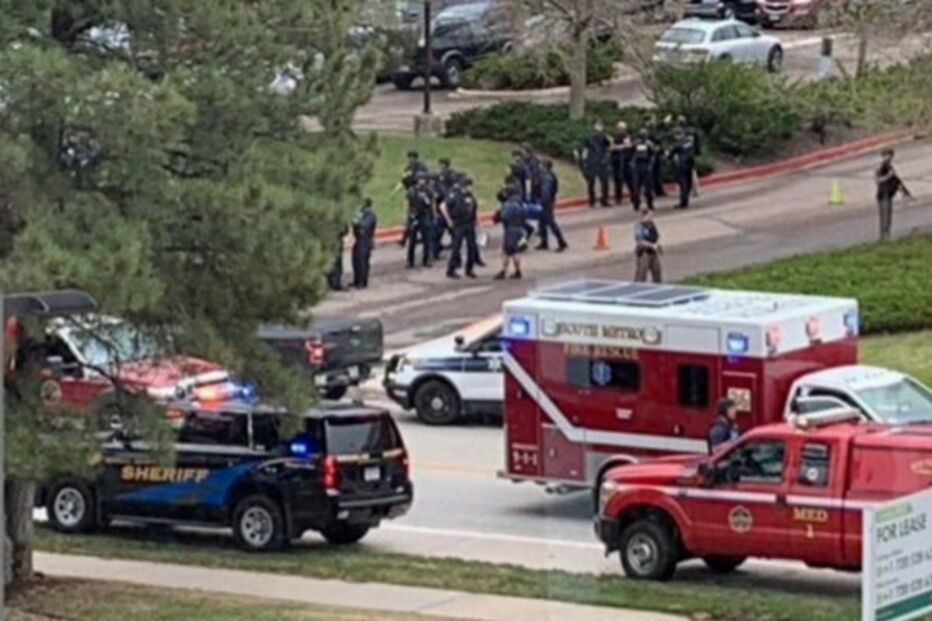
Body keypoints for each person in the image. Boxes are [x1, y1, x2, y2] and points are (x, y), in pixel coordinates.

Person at [875, 148, 913, 241]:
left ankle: (885, 235)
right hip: (884, 194)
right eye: (886, 155)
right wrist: (889, 176)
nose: (889, 157)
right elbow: (878, 180)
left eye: (890, 155)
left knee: (887, 216)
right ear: (883, 156)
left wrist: (905, 192)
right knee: (885, 216)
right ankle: (884, 236)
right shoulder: (882, 167)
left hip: (888, 194)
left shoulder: (888, 166)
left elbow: (897, 181)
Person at [443, 176, 476, 279]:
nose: (470, 188)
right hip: (459, 224)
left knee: (472, 247)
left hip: (469, 223)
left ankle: (469, 269)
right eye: (468, 186)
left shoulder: (470, 196)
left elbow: (473, 209)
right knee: (456, 247)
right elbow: (444, 206)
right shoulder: (454, 195)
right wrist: (449, 220)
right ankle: (451, 269)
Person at [493, 186, 527, 280]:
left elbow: (503, 217)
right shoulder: (520, 203)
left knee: (507, 251)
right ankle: (517, 271)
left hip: (510, 230)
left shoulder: (507, 205)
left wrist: (498, 216)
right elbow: (524, 216)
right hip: (519, 229)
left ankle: (505, 271)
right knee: (514, 251)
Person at [535, 159, 567, 252]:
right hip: (546, 201)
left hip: (546, 203)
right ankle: (544, 241)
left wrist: (543, 201)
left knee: (551, 223)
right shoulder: (549, 175)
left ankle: (561, 242)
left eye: (541, 165)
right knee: (542, 222)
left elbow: (546, 191)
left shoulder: (546, 177)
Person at [579, 119, 611, 208]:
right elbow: (608, 148)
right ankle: (601, 200)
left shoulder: (600, 137)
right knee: (599, 182)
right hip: (597, 161)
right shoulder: (602, 137)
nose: (600, 127)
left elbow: (585, 150)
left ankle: (594, 201)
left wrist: (584, 160)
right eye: (599, 125)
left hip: (595, 161)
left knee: (595, 182)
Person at [406, 173, 435, 268]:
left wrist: (425, 199)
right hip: (415, 215)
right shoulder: (412, 190)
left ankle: (427, 259)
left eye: (423, 179)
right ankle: (410, 261)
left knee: (427, 239)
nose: (422, 181)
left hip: (424, 215)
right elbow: (410, 200)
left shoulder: (428, 190)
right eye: (420, 179)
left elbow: (430, 203)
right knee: (412, 240)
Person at [351, 198, 377, 288]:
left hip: (366, 240)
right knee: (356, 259)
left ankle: (362, 281)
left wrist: (357, 221)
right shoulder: (361, 214)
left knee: (363, 261)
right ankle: (357, 280)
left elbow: (365, 225)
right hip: (358, 239)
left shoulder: (370, 215)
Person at [669, 128, 697, 209]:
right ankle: (686, 199)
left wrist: (669, 157)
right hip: (690, 164)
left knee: (683, 184)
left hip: (681, 165)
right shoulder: (689, 142)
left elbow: (671, 154)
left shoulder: (677, 144)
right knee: (688, 182)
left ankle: (683, 202)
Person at [630, 129, 656, 212]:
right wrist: (632, 163)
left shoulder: (649, 144)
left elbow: (653, 155)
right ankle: (636, 204)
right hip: (637, 166)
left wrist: (650, 166)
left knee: (648, 187)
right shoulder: (635, 143)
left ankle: (650, 204)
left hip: (646, 165)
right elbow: (631, 154)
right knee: (636, 187)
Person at [462, 177, 485, 269]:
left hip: (471, 222)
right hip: (462, 223)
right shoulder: (460, 196)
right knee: (460, 244)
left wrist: (477, 221)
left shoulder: (471, 196)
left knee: (472, 243)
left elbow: (474, 209)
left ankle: (475, 260)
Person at [633, 209, 661, 282]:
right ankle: (637, 289)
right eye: (649, 216)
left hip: (653, 252)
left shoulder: (652, 224)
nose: (651, 217)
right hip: (644, 253)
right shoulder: (639, 226)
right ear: (644, 216)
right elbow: (640, 241)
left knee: (657, 272)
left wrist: (657, 245)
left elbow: (656, 236)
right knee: (641, 274)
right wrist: (651, 245)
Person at [610, 121, 633, 206]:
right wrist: (620, 147)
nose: (621, 130)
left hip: (624, 160)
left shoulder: (625, 135)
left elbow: (628, 145)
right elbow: (612, 147)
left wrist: (619, 147)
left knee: (628, 179)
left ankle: (632, 196)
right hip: (618, 160)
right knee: (619, 179)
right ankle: (618, 197)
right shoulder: (616, 136)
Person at [646, 116, 667, 198]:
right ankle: (656, 190)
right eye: (653, 120)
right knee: (655, 173)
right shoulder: (650, 131)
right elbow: (657, 138)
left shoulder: (654, 130)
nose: (654, 122)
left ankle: (659, 190)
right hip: (653, 155)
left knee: (658, 173)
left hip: (657, 154)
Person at [326, 225, 348, 291]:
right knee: (336, 263)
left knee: (331, 262)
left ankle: (331, 283)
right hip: (335, 242)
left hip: (331, 242)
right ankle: (335, 283)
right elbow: (345, 230)